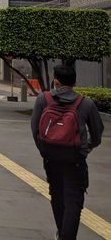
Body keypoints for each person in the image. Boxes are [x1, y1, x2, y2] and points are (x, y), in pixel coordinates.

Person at [31, 65, 104, 240]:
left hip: (51, 160)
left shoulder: (43, 100)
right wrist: (85, 147)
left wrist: (45, 151)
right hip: (75, 161)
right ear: (75, 82)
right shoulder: (86, 104)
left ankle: (61, 233)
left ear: (55, 81)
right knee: (73, 202)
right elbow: (97, 133)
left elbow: (35, 131)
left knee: (57, 197)